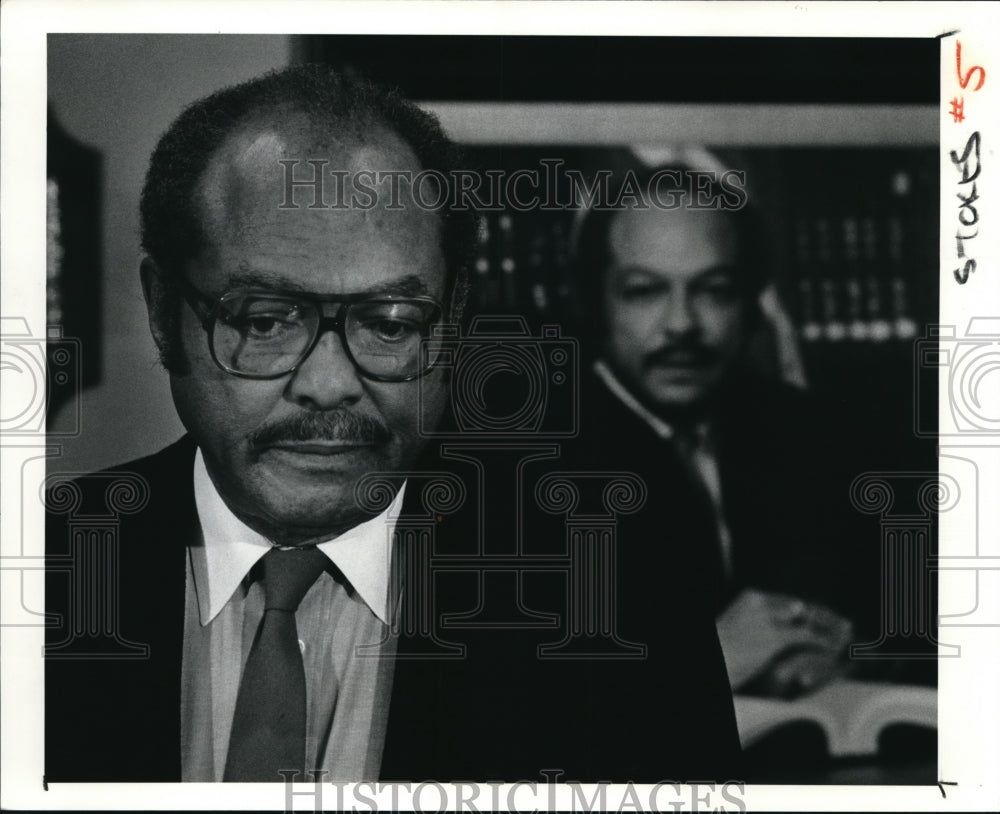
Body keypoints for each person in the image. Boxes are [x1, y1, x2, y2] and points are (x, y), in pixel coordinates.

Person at [44, 70, 741, 784]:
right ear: (163, 315)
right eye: (264, 320)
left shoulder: (621, 591)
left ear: (453, 317)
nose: (329, 384)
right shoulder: (40, 573)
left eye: (389, 324)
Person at [569, 165, 872, 699]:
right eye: (644, 291)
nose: (681, 324)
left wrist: (842, 649)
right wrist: (707, 660)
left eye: (715, 291)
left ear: (752, 307)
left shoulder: (816, 436)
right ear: (596, 304)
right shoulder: (525, 461)